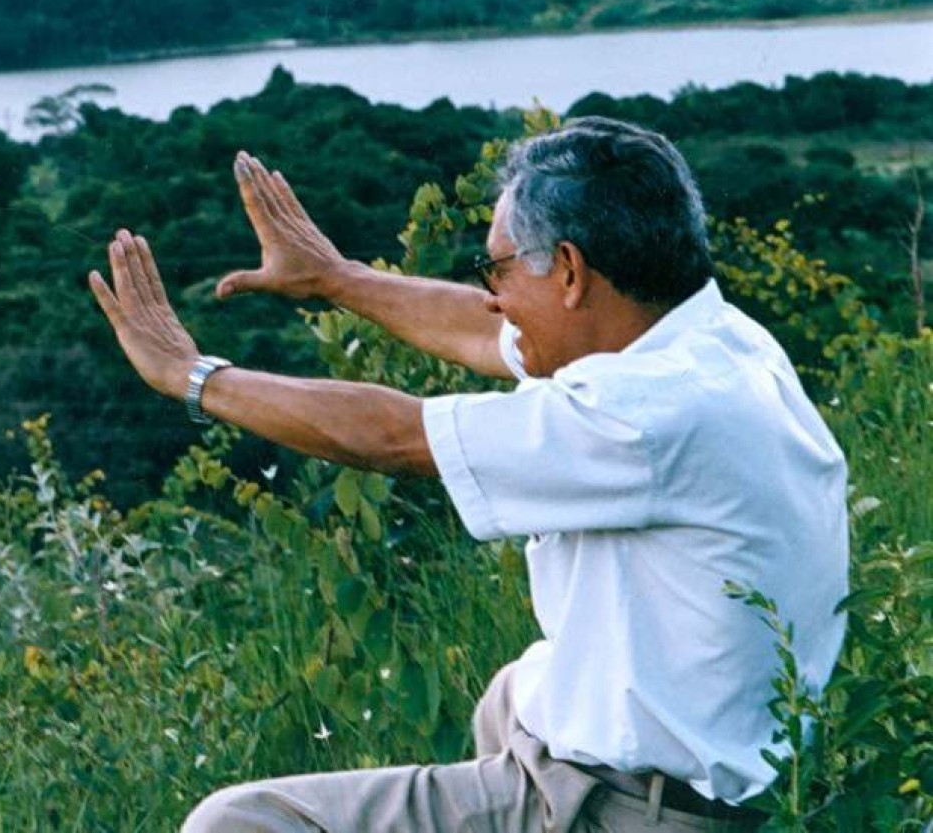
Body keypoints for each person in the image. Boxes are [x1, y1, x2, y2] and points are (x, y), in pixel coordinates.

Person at [87, 117, 848, 832]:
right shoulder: (709, 340)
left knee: (236, 822)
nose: (492, 291)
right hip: (724, 766)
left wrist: (194, 377)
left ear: (573, 272)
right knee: (518, 687)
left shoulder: (641, 412)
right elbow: (491, 331)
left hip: (636, 809)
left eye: (499, 267)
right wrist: (336, 278)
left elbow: (393, 436)